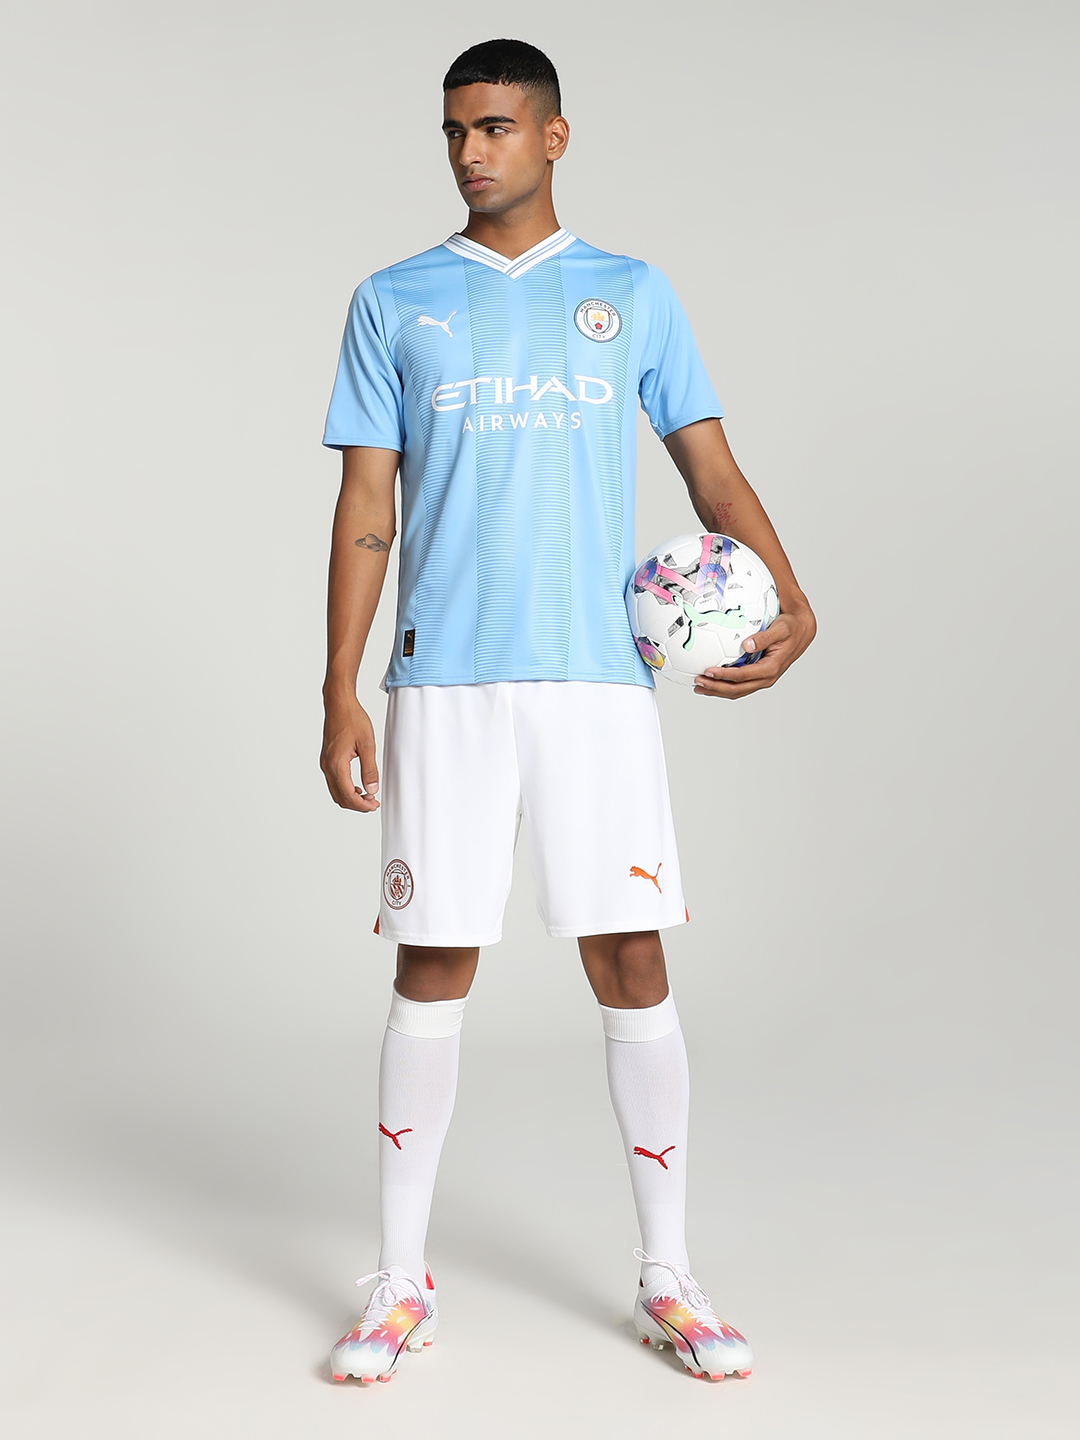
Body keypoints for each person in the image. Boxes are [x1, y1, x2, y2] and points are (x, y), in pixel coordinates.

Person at [318, 38, 816, 1386]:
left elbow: (711, 468)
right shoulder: (394, 299)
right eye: (453, 130)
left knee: (630, 958)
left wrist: (791, 595)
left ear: (553, 136)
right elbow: (366, 505)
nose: (470, 151)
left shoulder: (631, 293)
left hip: (598, 676)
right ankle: (399, 1283)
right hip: (444, 677)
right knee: (432, 961)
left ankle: (670, 1276)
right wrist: (338, 684)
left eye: (494, 126)